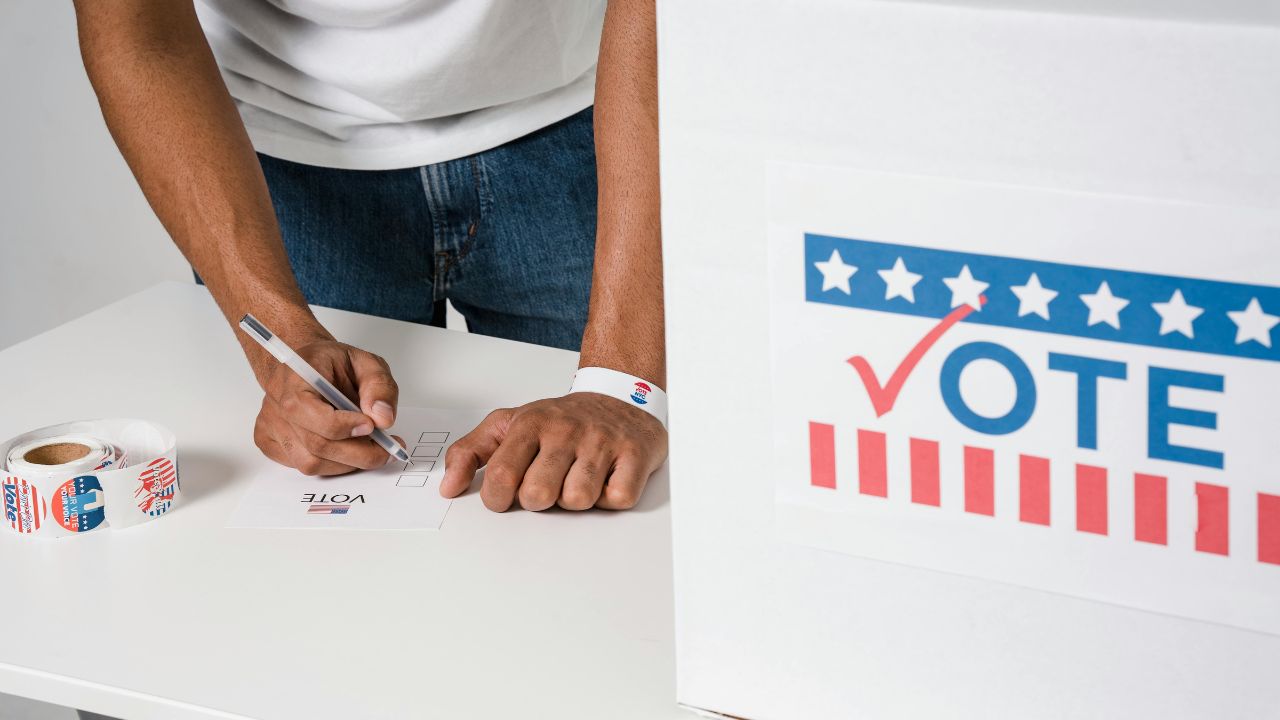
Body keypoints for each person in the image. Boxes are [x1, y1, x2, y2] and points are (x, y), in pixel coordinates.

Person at [71, 0, 666, 517]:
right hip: (271, 159)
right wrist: (278, 339)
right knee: (320, 506)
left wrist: (625, 388)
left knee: (613, 495)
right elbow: (139, 32)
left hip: (585, 116)